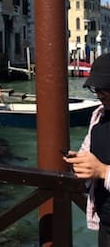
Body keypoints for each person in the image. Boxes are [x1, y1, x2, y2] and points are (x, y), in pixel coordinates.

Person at [66, 54, 110, 246]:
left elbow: (100, 169)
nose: (99, 94)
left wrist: (102, 171)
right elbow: (87, 151)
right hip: (105, 224)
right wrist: (79, 161)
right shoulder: (98, 116)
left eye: (104, 89)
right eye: (96, 89)